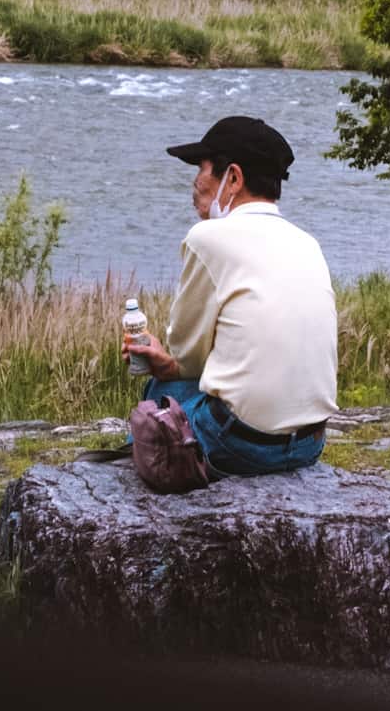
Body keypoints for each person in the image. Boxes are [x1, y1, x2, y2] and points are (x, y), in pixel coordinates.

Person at [124, 115, 337, 477]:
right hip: (309, 445)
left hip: (240, 446)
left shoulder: (208, 237)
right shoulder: (308, 243)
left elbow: (186, 358)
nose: (195, 182)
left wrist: (162, 360)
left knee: (163, 389)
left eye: (202, 168)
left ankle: (143, 465)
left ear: (233, 178)